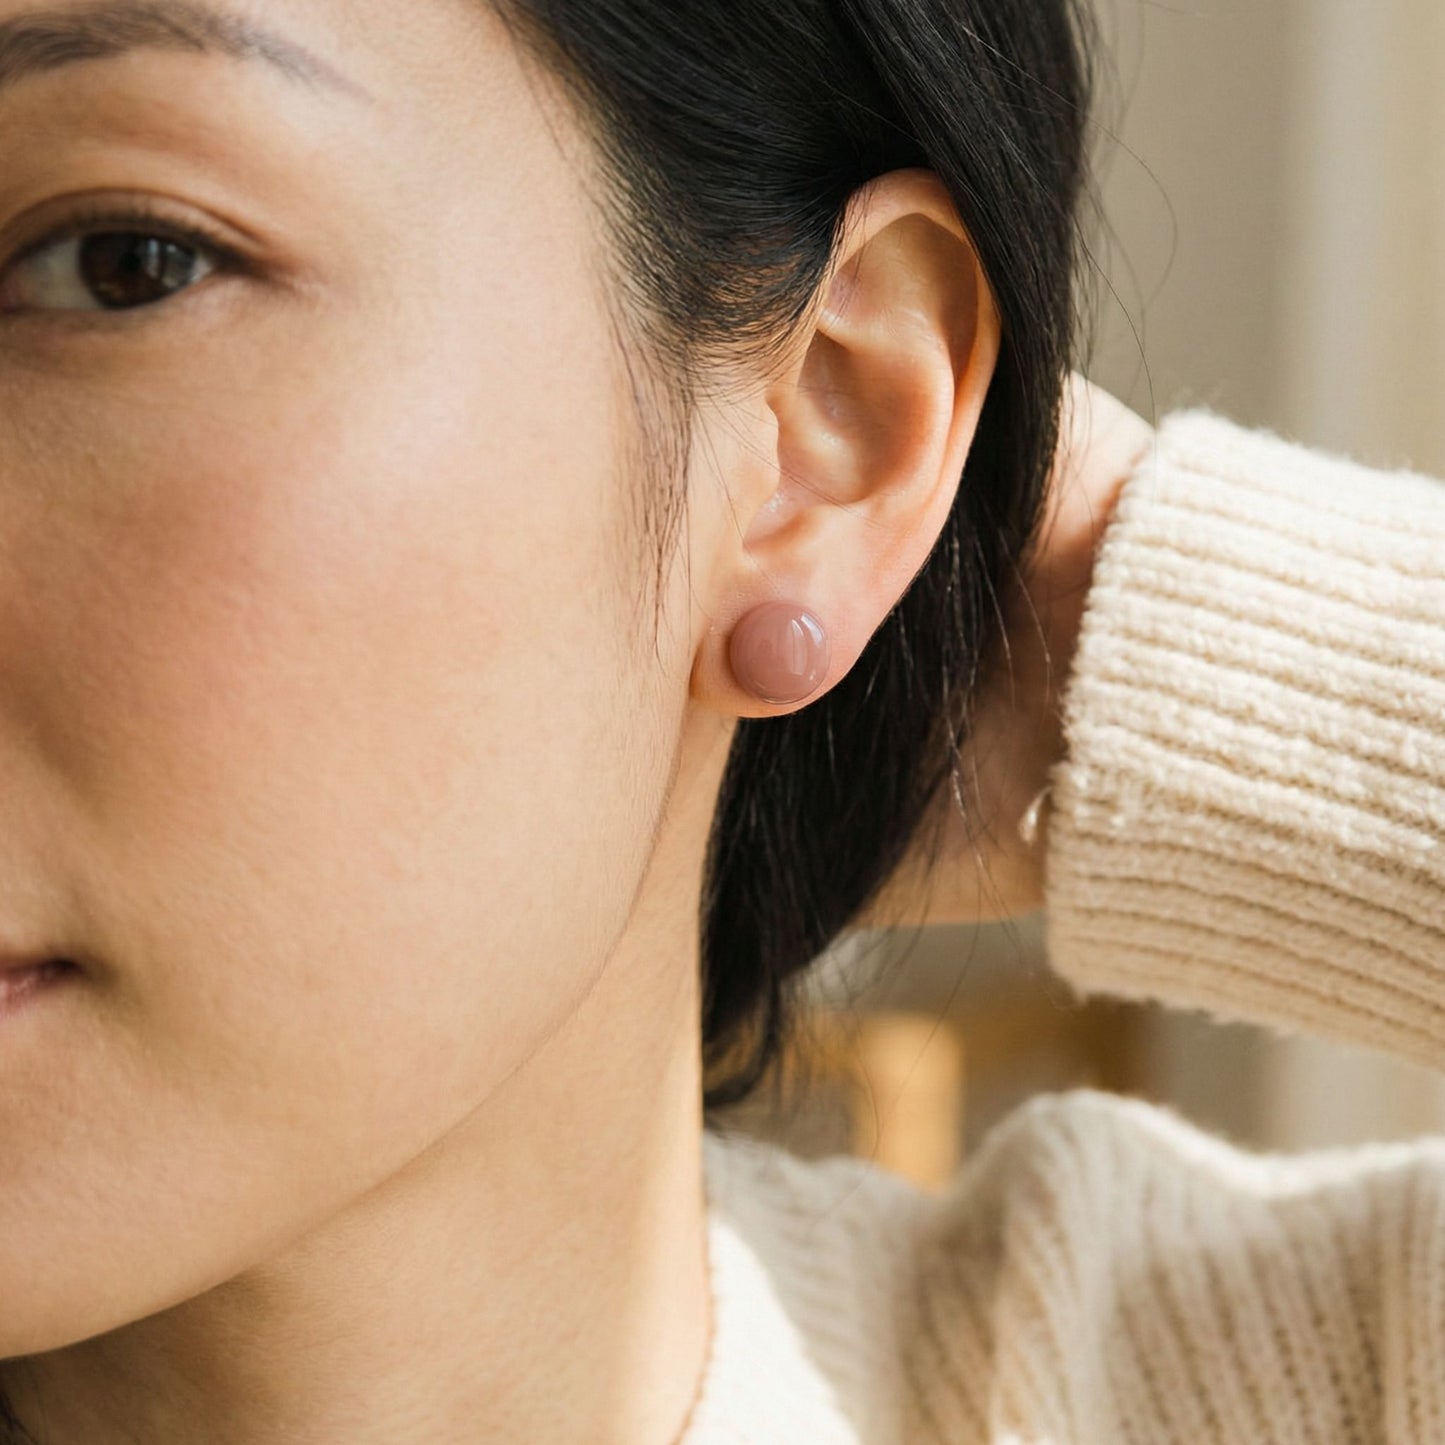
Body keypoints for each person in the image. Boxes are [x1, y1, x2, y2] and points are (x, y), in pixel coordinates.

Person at [0, 4, 1440, 1445]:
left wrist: (1157, 649)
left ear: (832, 414)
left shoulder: (1252, 1390)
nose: (117, 275)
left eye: (121, 266)